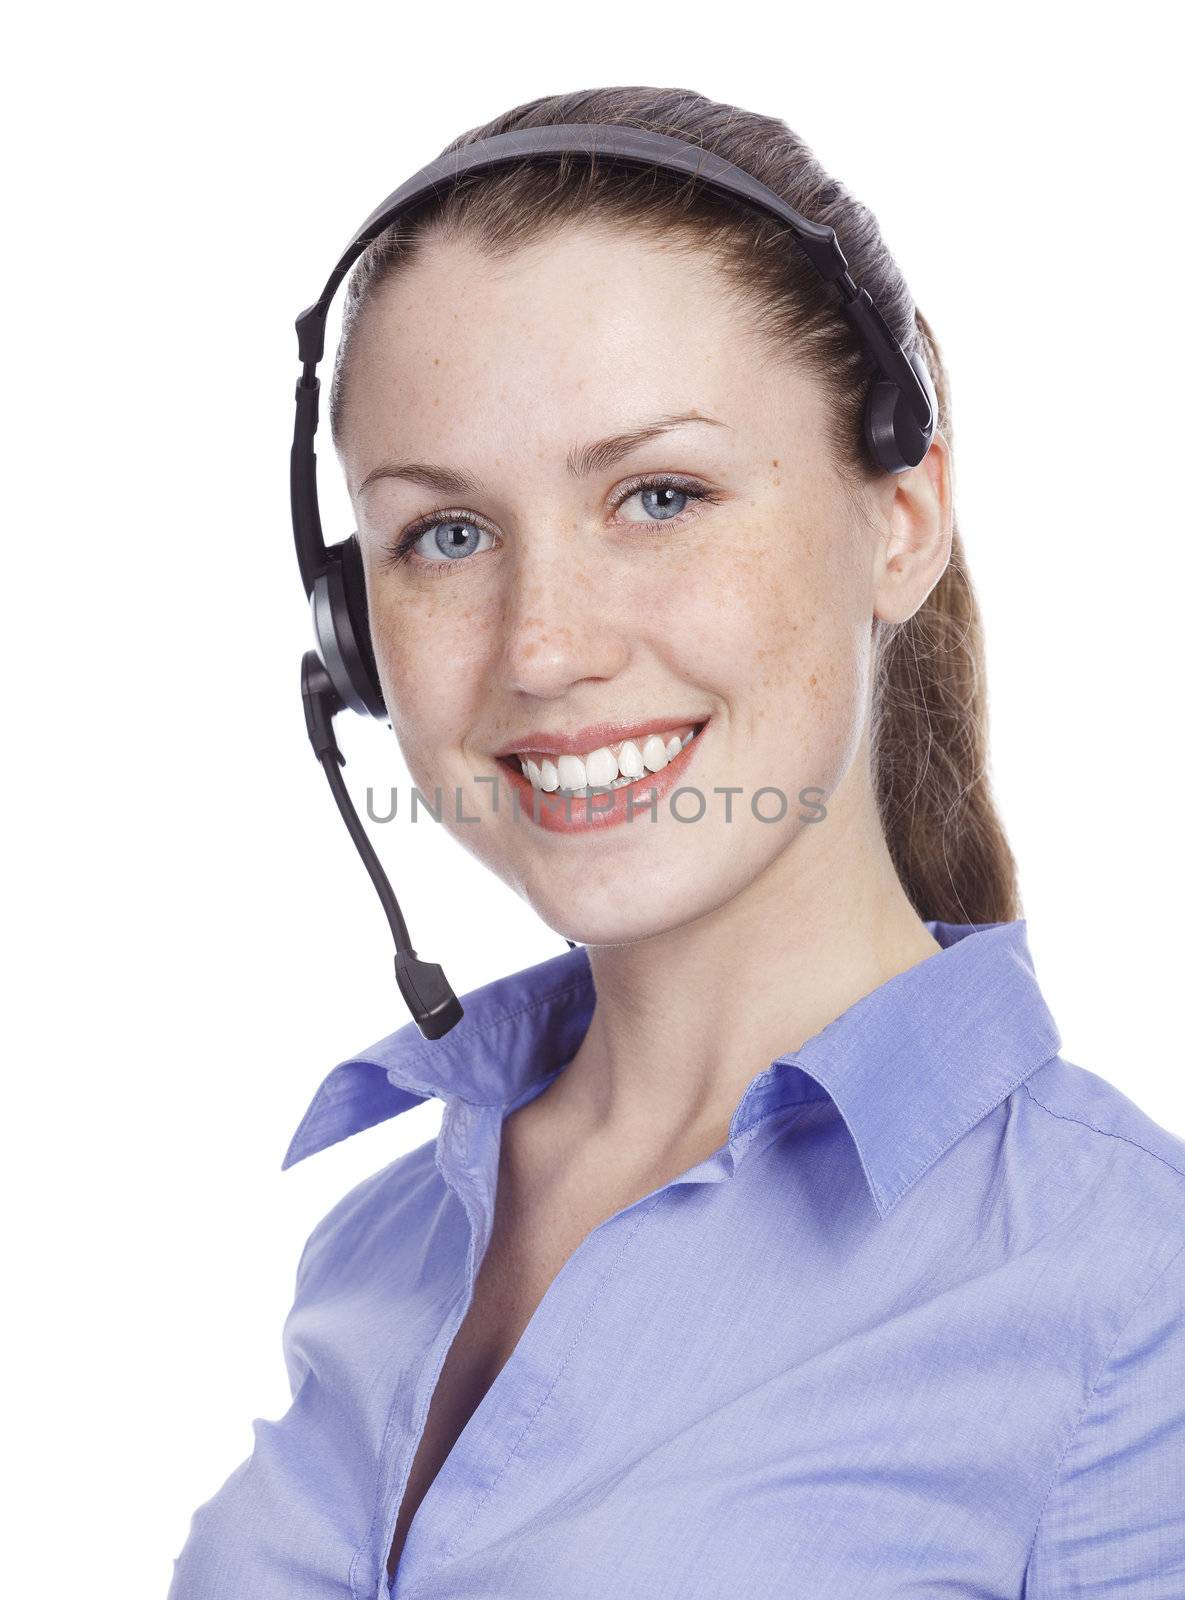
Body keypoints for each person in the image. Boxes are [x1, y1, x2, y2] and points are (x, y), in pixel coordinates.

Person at [168, 85, 1185, 1598]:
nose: (544, 649)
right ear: (350, 632)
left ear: (899, 521)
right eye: (445, 533)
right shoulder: (384, 1234)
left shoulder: (1124, 1288)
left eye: (657, 495)